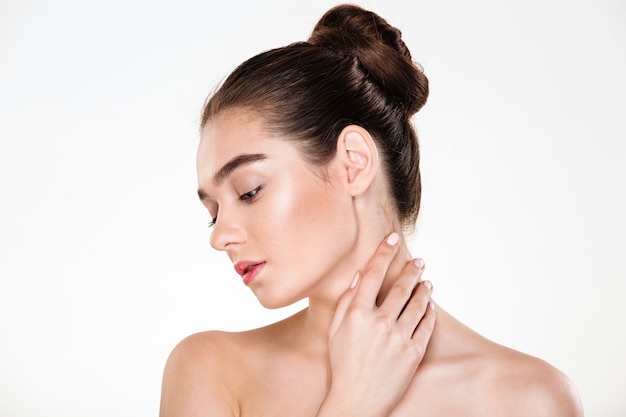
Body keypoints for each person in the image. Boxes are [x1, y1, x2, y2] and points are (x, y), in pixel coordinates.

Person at [160, 4, 583, 416]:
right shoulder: (210, 372)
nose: (219, 237)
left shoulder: (530, 400)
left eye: (249, 192)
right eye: (214, 212)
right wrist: (351, 404)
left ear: (353, 163)